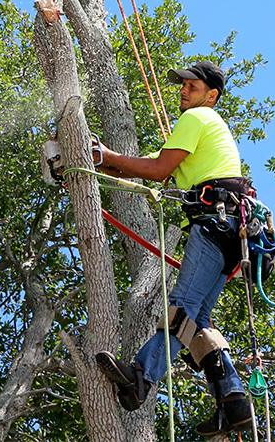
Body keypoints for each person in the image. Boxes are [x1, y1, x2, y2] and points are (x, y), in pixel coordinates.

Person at [93, 60, 255, 437]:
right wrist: (102, 160)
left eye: (192, 86)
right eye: (182, 85)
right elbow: (148, 167)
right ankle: (232, 401)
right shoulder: (206, 127)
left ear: (211, 96)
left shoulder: (197, 119)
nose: (183, 91)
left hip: (215, 225)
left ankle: (141, 376)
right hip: (233, 231)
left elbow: (157, 170)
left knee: (181, 309)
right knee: (199, 321)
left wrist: (103, 156)